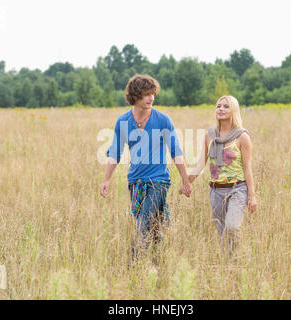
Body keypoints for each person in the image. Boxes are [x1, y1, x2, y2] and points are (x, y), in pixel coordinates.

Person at [100, 74, 192, 262]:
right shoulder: (123, 122)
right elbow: (114, 153)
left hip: (158, 181)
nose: (151, 98)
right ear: (135, 96)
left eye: (153, 94)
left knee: (143, 224)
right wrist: (106, 180)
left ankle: (134, 268)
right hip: (135, 181)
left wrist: (185, 180)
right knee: (154, 227)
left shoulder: (163, 120)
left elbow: (176, 151)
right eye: (146, 94)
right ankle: (159, 262)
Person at [183, 95, 257, 256]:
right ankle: (228, 263)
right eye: (218, 106)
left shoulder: (242, 136)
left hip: (237, 189)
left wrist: (252, 196)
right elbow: (200, 164)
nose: (221, 109)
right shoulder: (209, 135)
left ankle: (236, 257)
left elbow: (247, 168)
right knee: (222, 231)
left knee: (232, 226)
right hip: (215, 190)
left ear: (234, 110)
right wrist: (186, 182)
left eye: (226, 106)